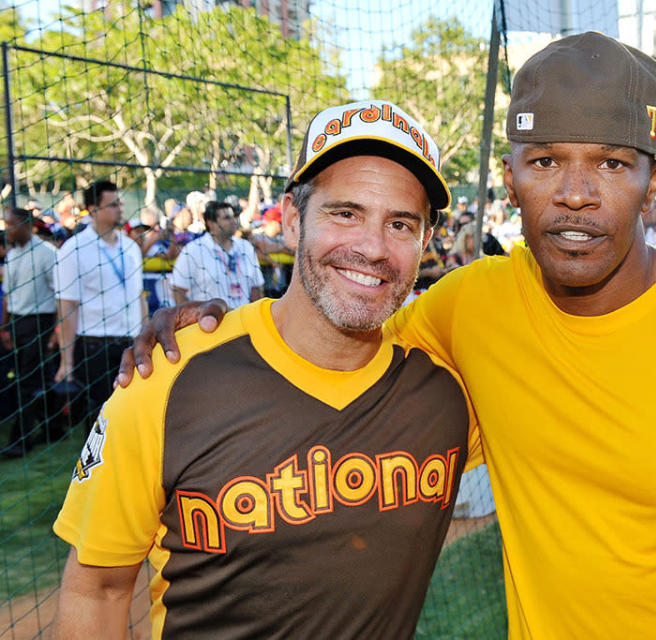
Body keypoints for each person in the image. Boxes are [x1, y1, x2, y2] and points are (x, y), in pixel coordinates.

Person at [122, 33, 656, 638]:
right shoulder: (472, 306)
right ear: (510, 176)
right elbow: (333, 344)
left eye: (611, 164)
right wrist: (212, 326)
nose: (574, 194)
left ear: (652, 181)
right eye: (546, 161)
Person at [52, 100, 481, 638]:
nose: (372, 247)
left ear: (425, 242)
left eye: (400, 223)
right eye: (344, 213)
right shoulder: (170, 376)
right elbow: (100, 589)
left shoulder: (448, 391)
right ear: (294, 220)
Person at [53, 180, 146, 429]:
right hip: (95, 348)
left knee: (134, 418)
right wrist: (67, 362)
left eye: (120, 203)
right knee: (100, 424)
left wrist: (147, 337)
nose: (120, 209)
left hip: (131, 344)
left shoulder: (130, 248)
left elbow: (139, 297)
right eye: (112, 204)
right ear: (93, 209)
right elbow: (67, 307)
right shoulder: (73, 249)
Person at [0, 207, 58, 456]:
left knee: (28, 380)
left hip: (41, 322)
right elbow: (8, 296)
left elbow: (59, 294)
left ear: (26, 224)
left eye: (10, 224)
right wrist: (6, 328)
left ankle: (21, 441)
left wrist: (57, 329)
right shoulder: (12, 255)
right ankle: (54, 427)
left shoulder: (47, 254)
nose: (7, 229)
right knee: (35, 378)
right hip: (18, 323)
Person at [171, 201, 264, 309]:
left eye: (234, 216)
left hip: (242, 320)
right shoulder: (193, 250)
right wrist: (192, 318)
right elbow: (178, 290)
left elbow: (256, 287)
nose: (233, 221)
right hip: (209, 322)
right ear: (211, 224)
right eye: (227, 218)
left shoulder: (245, 247)